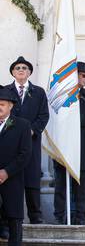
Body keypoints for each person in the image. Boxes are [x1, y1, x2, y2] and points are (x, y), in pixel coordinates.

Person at [4, 56, 49, 224]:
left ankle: (35, 215)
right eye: (18, 68)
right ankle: (9, 217)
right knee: (12, 178)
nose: (21, 70)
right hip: (10, 143)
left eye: (24, 67)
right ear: (13, 73)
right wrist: (15, 132)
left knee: (32, 178)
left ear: (29, 72)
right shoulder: (5, 92)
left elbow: (44, 115)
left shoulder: (38, 92)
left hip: (32, 141)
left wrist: (32, 130)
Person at [54, 61, 85, 225]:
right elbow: (57, 116)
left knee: (81, 183)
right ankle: (60, 215)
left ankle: (80, 215)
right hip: (63, 144)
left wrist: (73, 119)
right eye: (83, 75)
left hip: (82, 146)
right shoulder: (63, 94)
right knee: (61, 182)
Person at [0, 87, 32, 245]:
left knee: (14, 219)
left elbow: (25, 154)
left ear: (10, 106)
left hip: (13, 178)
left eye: (2, 104)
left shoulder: (22, 125)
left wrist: (6, 171)